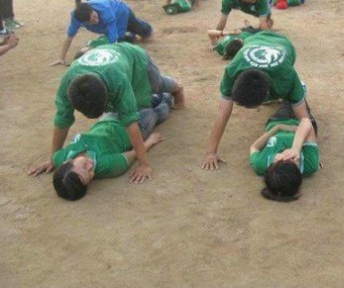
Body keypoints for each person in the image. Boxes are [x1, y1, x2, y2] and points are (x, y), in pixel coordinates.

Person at [43, 43, 184, 183]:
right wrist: (53, 159)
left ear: (108, 95)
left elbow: (130, 122)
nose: (91, 166)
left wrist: (144, 164)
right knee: (142, 104)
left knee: (157, 85)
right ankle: (159, 100)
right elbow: (62, 119)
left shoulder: (117, 81)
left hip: (136, 59)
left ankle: (178, 88)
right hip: (114, 69)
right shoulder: (67, 84)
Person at [29, 94, 172, 200]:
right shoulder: (108, 166)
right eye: (89, 177)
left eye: (84, 167)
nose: (91, 168)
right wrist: (150, 141)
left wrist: (50, 162)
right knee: (157, 112)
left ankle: (155, 95)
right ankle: (167, 97)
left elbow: (55, 158)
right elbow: (133, 153)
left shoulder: (60, 158)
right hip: (135, 128)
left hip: (107, 118)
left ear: (67, 162)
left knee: (141, 100)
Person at [201, 31, 309, 170]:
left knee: (295, 100)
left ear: (267, 95)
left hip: (284, 44)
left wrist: (309, 151)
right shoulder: (231, 71)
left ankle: (300, 89)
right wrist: (210, 152)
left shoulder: (287, 76)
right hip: (255, 38)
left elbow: (304, 118)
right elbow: (223, 112)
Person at [249, 100, 319, 201]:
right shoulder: (310, 164)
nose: (288, 156)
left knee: (286, 103)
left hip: (278, 121)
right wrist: (296, 148)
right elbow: (305, 122)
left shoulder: (260, 163)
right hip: (303, 127)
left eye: (282, 159)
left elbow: (253, 148)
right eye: (294, 161)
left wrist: (277, 128)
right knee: (299, 102)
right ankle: (298, 91)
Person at [50, 0, 153, 65]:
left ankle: (143, 27)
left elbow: (114, 42)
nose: (96, 20)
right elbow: (69, 37)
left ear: (92, 9)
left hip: (121, 11)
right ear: (84, 22)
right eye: (92, 21)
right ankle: (130, 35)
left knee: (144, 32)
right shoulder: (76, 17)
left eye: (95, 16)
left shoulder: (105, 10)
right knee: (120, 38)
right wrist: (61, 58)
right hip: (108, 23)